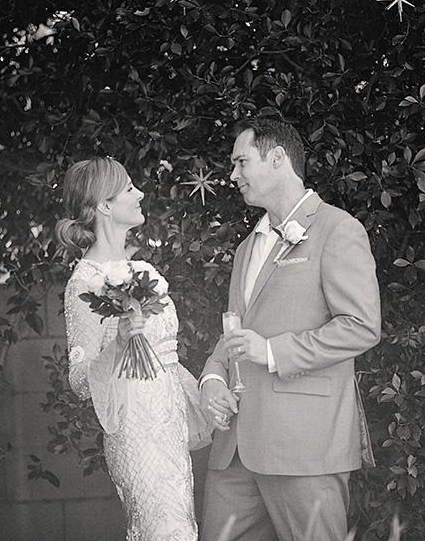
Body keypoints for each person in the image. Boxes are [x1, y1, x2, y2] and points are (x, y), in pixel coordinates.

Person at [199, 119, 381, 541]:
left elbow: (361, 327)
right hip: (234, 452)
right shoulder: (247, 247)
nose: (233, 175)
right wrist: (211, 377)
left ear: (278, 158)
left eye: (241, 162)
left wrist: (274, 352)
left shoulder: (338, 229)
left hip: (305, 447)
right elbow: (234, 330)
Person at [56, 157, 211, 541]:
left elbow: (165, 355)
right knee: (164, 529)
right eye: (128, 188)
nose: (140, 193)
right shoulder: (84, 284)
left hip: (170, 420)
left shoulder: (140, 271)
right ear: (105, 206)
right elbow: (79, 378)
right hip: (136, 427)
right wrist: (120, 341)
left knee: (182, 525)